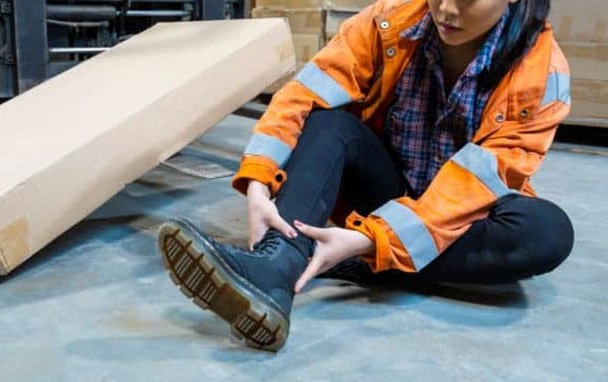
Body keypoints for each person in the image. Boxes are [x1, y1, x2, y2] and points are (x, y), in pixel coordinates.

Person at [157, 0, 574, 352]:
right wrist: (257, 180)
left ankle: (356, 258)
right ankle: (277, 264)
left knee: (547, 232)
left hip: (460, 220)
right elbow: (301, 98)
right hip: (380, 194)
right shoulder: (387, 22)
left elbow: (471, 188)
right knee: (330, 125)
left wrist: (373, 241)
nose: (447, 9)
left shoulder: (541, 73)